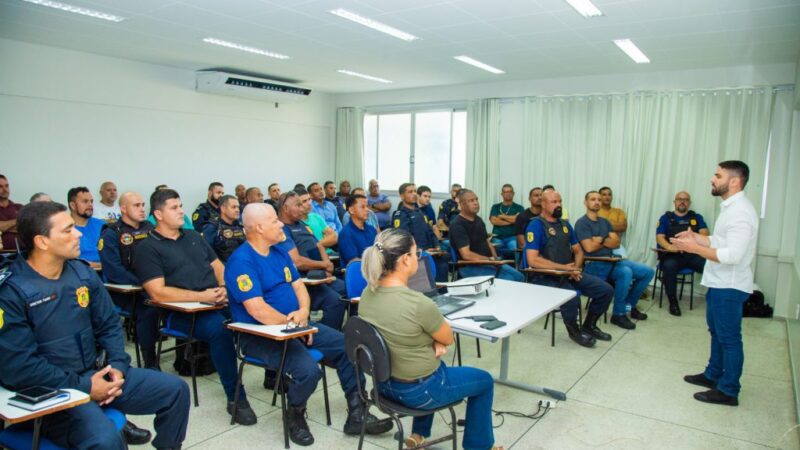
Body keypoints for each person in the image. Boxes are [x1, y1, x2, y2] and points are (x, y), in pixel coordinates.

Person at [0, 201, 189, 450]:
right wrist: (87, 387)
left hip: (97, 374)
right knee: (106, 440)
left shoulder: (82, 273)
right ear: (42, 241)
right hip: (53, 391)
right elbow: (20, 367)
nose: (78, 233)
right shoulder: (12, 291)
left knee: (176, 391)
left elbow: (109, 324)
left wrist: (118, 368)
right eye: (68, 230)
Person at [224, 203, 393, 446]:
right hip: (261, 335)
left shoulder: (278, 251)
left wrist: (303, 312)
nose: (281, 224)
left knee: (351, 347)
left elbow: (298, 286)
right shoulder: (242, 261)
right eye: (274, 221)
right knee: (308, 371)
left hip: (295, 325)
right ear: (259, 228)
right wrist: (295, 326)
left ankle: (358, 414)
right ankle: (295, 414)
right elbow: (257, 310)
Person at [359, 228, 503, 450]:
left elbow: (397, 335)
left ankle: (419, 434)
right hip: (419, 393)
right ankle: (480, 446)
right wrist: (436, 340)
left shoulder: (367, 294)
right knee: (484, 381)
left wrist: (431, 341)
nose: (419, 257)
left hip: (383, 387)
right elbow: (448, 338)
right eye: (417, 253)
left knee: (431, 366)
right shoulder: (419, 304)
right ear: (406, 260)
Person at [133, 188, 257, 426]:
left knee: (257, 310)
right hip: (179, 312)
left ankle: (275, 374)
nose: (181, 211)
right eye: (174, 207)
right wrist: (202, 296)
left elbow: (218, 267)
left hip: (215, 300)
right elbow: (157, 291)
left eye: (180, 206)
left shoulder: (192, 236)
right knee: (220, 331)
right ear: (158, 214)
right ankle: (236, 398)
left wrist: (223, 287)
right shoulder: (147, 247)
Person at [672, 161, 758, 407]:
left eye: (718, 175)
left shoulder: (741, 211)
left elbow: (733, 255)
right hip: (719, 282)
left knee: (729, 338)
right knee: (716, 332)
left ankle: (728, 390)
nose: (712, 179)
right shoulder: (730, 208)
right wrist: (696, 237)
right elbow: (720, 240)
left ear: (734, 181)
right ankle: (713, 375)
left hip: (729, 286)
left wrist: (694, 248)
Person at [524, 190, 613, 348]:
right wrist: (564, 268)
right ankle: (575, 332)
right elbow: (533, 259)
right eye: (554, 202)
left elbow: (578, 251)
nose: (558, 205)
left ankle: (589, 325)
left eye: (560, 201)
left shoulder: (565, 225)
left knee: (605, 290)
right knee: (571, 297)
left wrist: (575, 269)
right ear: (543, 204)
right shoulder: (535, 225)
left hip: (569, 273)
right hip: (545, 276)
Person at [99, 192, 160, 370]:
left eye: (142, 204)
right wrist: (145, 282)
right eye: (136, 205)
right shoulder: (111, 233)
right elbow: (113, 270)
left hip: (152, 283)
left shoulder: (150, 228)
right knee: (149, 307)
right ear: (123, 208)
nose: (142, 209)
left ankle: (185, 357)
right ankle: (150, 360)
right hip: (127, 289)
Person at [576, 191, 654, 330]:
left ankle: (628, 306)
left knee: (647, 272)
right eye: (593, 199)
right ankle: (618, 314)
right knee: (625, 273)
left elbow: (616, 243)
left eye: (599, 199)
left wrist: (599, 239)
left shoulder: (605, 222)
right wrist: (606, 240)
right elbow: (589, 247)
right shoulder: (582, 223)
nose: (597, 202)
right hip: (595, 263)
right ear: (585, 202)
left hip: (611, 260)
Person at [276, 191, 347, 331]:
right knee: (335, 301)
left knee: (345, 288)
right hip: (302, 281)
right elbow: (297, 262)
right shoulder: (281, 229)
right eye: (298, 205)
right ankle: (325, 335)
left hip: (318, 275)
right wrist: (323, 265)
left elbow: (318, 245)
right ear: (285, 208)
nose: (302, 208)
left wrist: (327, 267)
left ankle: (333, 333)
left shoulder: (302, 224)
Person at [449, 189, 524, 282]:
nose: (476, 203)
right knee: (511, 279)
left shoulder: (478, 220)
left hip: (487, 263)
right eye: (471, 201)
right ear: (462, 204)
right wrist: (489, 259)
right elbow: (466, 255)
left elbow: (487, 242)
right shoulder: (457, 224)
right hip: (470, 266)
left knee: (520, 276)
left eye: (476, 199)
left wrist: (496, 259)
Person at [656, 191, 709, 316]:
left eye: (685, 199)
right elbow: (659, 237)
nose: (682, 201)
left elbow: (705, 234)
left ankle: (718, 298)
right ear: (674, 202)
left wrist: (693, 240)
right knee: (669, 267)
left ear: (689, 203)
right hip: (673, 255)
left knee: (712, 266)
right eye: (679, 199)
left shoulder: (696, 217)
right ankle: (673, 302)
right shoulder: (665, 218)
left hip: (693, 254)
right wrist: (669, 246)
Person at [392, 183, 447, 282]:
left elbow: (430, 231)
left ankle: (441, 294)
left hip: (430, 251)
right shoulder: (400, 215)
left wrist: (437, 246)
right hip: (416, 255)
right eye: (410, 192)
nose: (414, 194)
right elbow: (404, 240)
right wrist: (421, 252)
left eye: (415, 191)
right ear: (401, 196)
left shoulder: (420, 213)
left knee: (444, 261)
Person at [201, 195, 245, 263]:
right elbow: (205, 253)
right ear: (223, 209)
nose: (237, 210)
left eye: (238, 207)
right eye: (234, 207)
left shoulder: (241, 225)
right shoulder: (212, 228)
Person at [67, 187, 105, 265]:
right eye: (85, 201)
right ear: (73, 205)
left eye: (91, 201)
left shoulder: (102, 225)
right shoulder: (64, 228)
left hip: (106, 272)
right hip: (79, 273)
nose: (90, 205)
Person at [338, 194, 377, 266]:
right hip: (357, 273)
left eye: (367, 206)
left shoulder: (372, 229)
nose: (367, 209)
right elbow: (354, 261)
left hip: (374, 271)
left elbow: (379, 251)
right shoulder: (346, 234)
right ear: (351, 210)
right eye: (362, 207)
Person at [296, 187, 337, 252]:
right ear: (296, 205)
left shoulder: (316, 217)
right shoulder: (296, 223)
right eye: (304, 201)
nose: (309, 203)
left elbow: (334, 237)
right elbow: (305, 248)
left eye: (309, 199)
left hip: (330, 254)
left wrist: (316, 245)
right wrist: (326, 241)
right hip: (313, 259)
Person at [489, 184, 524, 258]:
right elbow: (494, 221)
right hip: (497, 237)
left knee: (515, 251)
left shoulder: (519, 207)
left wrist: (502, 216)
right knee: (496, 256)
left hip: (513, 237)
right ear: (502, 194)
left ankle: (517, 268)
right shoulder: (495, 207)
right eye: (505, 192)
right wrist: (512, 220)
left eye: (509, 191)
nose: (507, 193)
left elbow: (518, 220)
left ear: (513, 193)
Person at [597, 187, 628, 257]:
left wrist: (604, 224)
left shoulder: (619, 211)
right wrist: (614, 224)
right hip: (600, 245)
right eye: (604, 195)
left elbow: (623, 227)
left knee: (623, 261)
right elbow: (595, 228)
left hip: (616, 245)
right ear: (599, 197)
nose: (607, 197)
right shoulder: (595, 211)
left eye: (609, 194)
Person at [0, 175, 22, 250]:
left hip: (22, 254)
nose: (5, 189)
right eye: (0, 187)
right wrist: (18, 220)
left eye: (6, 186)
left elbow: (27, 227)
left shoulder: (19, 207)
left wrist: (4, 227)